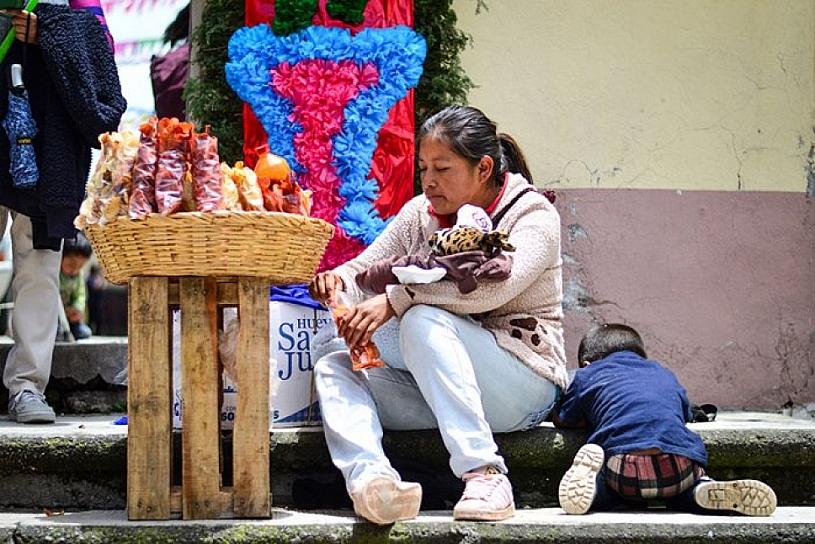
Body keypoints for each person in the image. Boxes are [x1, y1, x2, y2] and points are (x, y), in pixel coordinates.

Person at [309, 105, 568, 524]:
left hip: (523, 385)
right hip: (446, 390)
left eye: (443, 168)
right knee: (334, 363)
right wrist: (336, 280)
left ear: (483, 167)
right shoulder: (420, 213)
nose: (429, 181)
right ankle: (373, 482)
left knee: (421, 318)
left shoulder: (533, 215)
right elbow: (365, 268)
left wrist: (395, 300)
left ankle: (485, 474)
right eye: (423, 167)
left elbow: (491, 289)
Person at [0, 1, 126, 423]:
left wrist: (47, 32)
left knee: (39, 271)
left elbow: (100, 48)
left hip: (47, 151)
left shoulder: (75, 3)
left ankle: (28, 388)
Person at [554, 323, 777, 516]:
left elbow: (565, 419)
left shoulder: (587, 375)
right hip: (680, 462)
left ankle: (593, 489)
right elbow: (684, 411)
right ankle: (702, 489)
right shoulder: (663, 373)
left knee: (613, 493)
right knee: (681, 493)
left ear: (586, 363)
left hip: (622, 465)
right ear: (641, 355)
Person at [59, 233, 92, 340]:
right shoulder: (55, 275)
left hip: (70, 317)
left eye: (80, 267)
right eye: (70, 265)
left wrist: (77, 309)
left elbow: (80, 295)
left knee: (84, 332)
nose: (74, 270)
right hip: (55, 316)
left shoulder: (78, 276)